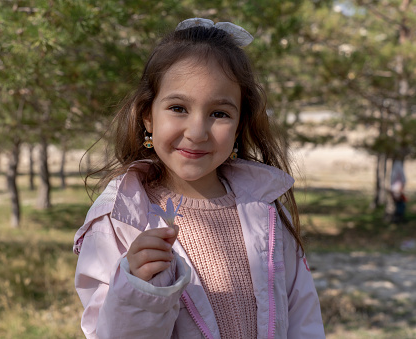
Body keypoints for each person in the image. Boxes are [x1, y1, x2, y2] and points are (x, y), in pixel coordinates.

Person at [73, 18, 325, 339]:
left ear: (238, 125)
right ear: (148, 116)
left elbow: (304, 318)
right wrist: (139, 290)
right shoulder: (120, 219)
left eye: (219, 114)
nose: (197, 132)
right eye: (178, 108)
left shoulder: (267, 210)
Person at [390, 159, 407, 223]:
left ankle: (397, 218)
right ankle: (398, 218)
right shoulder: (397, 168)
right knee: (400, 204)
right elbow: (403, 179)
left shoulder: (395, 168)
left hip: (396, 189)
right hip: (397, 189)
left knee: (399, 204)